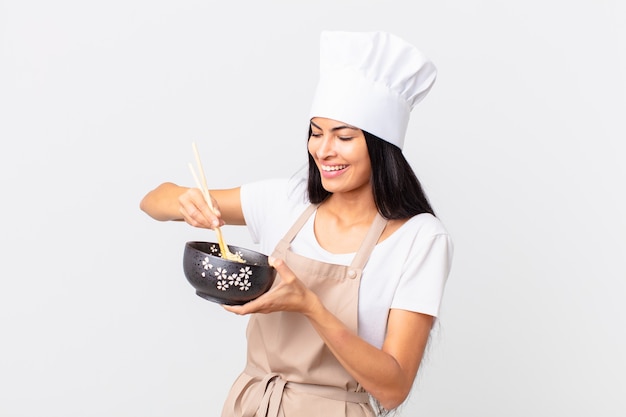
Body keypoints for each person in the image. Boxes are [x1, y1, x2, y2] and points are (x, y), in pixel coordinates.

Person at [140, 31, 453, 417]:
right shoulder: (284, 201)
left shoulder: (419, 238)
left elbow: (393, 389)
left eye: (344, 136)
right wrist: (185, 204)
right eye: (316, 133)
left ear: (380, 146)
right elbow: (154, 200)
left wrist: (310, 306)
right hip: (251, 405)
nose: (323, 150)